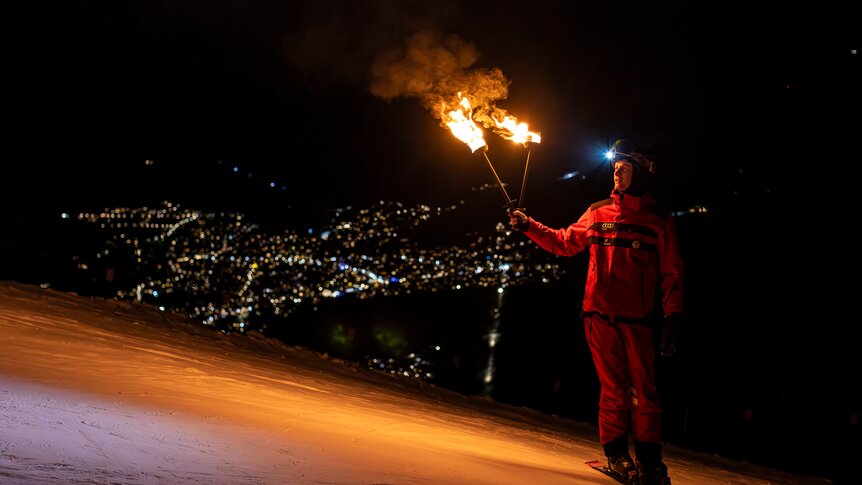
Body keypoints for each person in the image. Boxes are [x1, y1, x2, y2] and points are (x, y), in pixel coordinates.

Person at [508, 140, 683, 485]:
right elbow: (564, 242)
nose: (616, 172)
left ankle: (650, 461)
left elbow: (672, 272)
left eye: (624, 168)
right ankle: (617, 455)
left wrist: (673, 316)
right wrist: (528, 225)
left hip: (638, 320)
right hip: (599, 316)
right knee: (613, 390)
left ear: (642, 173)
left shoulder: (658, 220)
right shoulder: (598, 211)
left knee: (646, 393)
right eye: (615, 167)